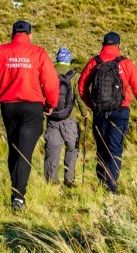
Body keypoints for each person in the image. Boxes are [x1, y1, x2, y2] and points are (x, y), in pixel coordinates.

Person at [0, 21, 59, 211]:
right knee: (24, 153)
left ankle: (15, 188)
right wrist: (51, 103)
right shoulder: (38, 53)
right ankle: (18, 196)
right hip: (32, 107)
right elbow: (51, 82)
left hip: (9, 107)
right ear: (30, 35)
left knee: (14, 148)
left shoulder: (0, 52)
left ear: (12, 34)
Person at [78, 32, 137, 193]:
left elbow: (81, 87)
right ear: (118, 46)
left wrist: (91, 104)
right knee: (115, 147)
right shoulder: (126, 64)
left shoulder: (94, 62)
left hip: (100, 111)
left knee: (102, 147)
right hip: (120, 110)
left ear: (103, 44)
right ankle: (111, 185)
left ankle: (102, 182)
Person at [43, 47, 88, 187]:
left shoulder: (48, 72)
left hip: (51, 118)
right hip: (69, 119)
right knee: (72, 148)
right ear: (69, 60)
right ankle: (69, 179)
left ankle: (51, 182)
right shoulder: (74, 76)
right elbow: (79, 96)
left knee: (52, 149)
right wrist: (84, 111)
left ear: (57, 59)